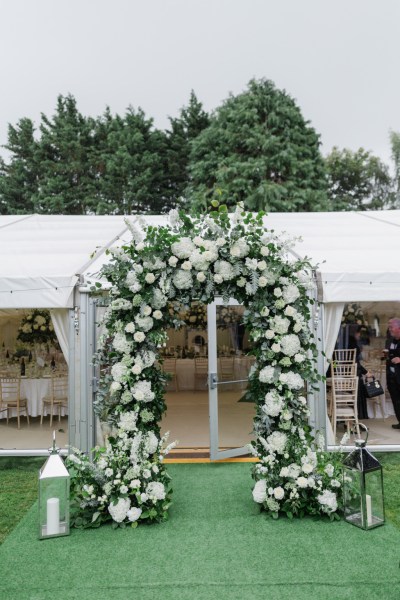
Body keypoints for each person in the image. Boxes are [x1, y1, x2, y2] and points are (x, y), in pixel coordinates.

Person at [348, 327, 372, 420]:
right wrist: (366, 372)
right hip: (354, 375)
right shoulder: (353, 344)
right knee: (358, 396)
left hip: (348, 375)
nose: (359, 335)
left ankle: (350, 421)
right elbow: (355, 363)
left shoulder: (346, 342)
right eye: (358, 333)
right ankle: (356, 420)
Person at [386, 318, 400, 429]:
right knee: (395, 400)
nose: (389, 329)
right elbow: (390, 355)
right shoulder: (390, 340)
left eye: (391, 327)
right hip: (391, 376)